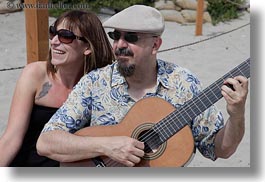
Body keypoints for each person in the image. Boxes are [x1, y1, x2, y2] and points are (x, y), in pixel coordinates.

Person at [37, 5, 249, 167]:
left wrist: (237, 114)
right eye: (115, 36)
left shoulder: (183, 83)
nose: (120, 44)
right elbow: (46, 142)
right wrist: (106, 146)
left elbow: (222, 149)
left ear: (155, 45)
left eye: (130, 37)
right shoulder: (95, 82)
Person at [0, 10, 114, 167]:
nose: (54, 41)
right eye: (52, 32)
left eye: (65, 36)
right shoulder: (36, 74)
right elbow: (11, 138)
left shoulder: (99, 85)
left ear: (87, 47)